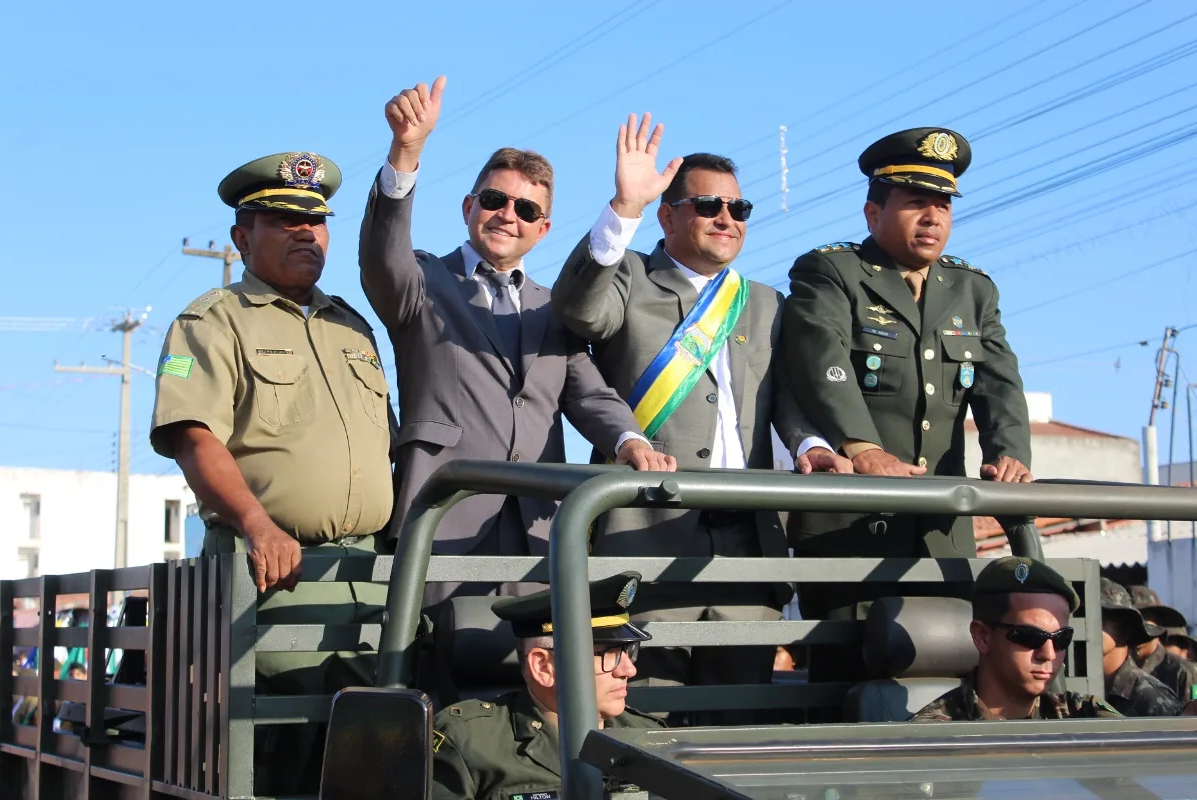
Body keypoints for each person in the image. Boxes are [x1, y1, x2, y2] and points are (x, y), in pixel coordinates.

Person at [550, 114, 851, 724]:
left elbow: (786, 397)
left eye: (739, 209)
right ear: (666, 216)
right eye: (709, 205)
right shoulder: (629, 275)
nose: (727, 219)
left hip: (749, 541)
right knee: (645, 715)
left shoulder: (763, 301)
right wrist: (623, 208)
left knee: (739, 720)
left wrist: (810, 445)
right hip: (647, 533)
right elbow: (578, 312)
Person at [358, 79, 674, 607]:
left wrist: (629, 441)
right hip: (442, 521)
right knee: (439, 656)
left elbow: (589, 394)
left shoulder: (553, 308)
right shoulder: (422, 282)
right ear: (468, 206)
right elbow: (382, 253)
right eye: (494, 200)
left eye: (526, 210)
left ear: (542, 229)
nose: (508, 214)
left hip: (539, 528)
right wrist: (405, 154)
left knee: (538, 655)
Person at [150, 151, 394, 793]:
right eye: (285, 220)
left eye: (316, 221)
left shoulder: (353, 328)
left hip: (366, 581)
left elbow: (385, 444)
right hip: (272, 577)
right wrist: (258, 525)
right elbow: (193, 437)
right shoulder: (213, 320)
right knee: (277, 762)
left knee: (367, 766)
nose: (306, 233)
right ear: (242, 237)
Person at [782, 128, 1034, 675]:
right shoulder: (832, 272)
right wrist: (863, 447)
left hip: (940, 531)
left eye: (943, 206)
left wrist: (1010, 454)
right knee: (847, 687)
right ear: (873, 213)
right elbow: (821, 365)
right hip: (850, 529)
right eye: (916, 202)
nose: (933, 218)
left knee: (947, 680)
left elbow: (999, 382)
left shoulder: (972, 289)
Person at [432, 572, 663, 800]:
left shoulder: (651, 738)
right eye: (609, 655)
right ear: (544, 667)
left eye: (627, 651)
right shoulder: (469, 743)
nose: (629, 670)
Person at [911, 557, 1120, 721]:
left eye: (1061, 638)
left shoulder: (1083, 715)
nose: (1048, 654)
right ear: (983, 636)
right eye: (1031, 636)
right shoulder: (933, 736)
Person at [1099, 579, 1186, 717]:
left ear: (1126, 629)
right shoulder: (1077, 692)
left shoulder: (1152, 699)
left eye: (1102, 617)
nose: (1090, 625)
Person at [1126, 584, 1197, 702]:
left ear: (1158, 623)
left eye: (1142, 619)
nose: (1136, 626)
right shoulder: (1116, 668)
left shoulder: (1182, 673)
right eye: (1129, 620)